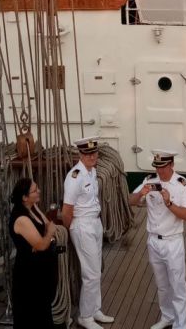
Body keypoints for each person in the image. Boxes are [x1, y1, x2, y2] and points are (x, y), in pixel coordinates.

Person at [128, 151, 186, 329]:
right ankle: (167, 317)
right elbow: (130, 200)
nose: (160, 171)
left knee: (177, 286)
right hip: (153, 241)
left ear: (171, 165)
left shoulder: (183, 185)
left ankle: (181, 325)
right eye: (157, 167)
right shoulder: (149, 180)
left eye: (163, 167)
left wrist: (169, 203)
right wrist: (140, 193)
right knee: (162, 285)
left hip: (173, 242)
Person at [62, 138, 114, 329]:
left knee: (96, 270)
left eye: (94, 153)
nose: (92, 157)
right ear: (80, 154)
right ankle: (85, 317)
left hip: (95, 223)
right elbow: (66, 211)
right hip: (82, 226)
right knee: (91, 274)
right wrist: (72, 230)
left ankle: (94, 309)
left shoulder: (92, 172)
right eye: (88, 154)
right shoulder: (75, 177)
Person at [10, 177, 59, 329]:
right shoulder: (21, 219)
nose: (39, 191)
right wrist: (49, 234)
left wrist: (44, 235)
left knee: (43, 311)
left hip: (40, 271)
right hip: (28, 275)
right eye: (34, 190)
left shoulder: (33, 208)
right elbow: (42, 244)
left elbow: (46, 225)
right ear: (24, 197)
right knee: (30, 314)